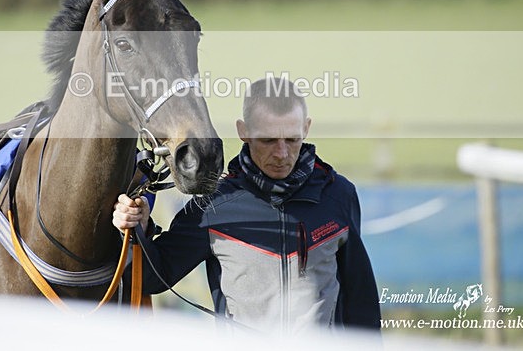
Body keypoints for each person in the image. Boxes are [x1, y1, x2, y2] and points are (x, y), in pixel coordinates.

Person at [113, 77, 381, 333]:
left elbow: (361, 300)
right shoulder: (212, 206)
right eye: (268, 140)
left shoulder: (338, 194)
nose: (281, 153)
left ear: (306, 128)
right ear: (244, 131)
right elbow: (152, 278)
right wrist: (137, 230)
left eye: (292, 139)